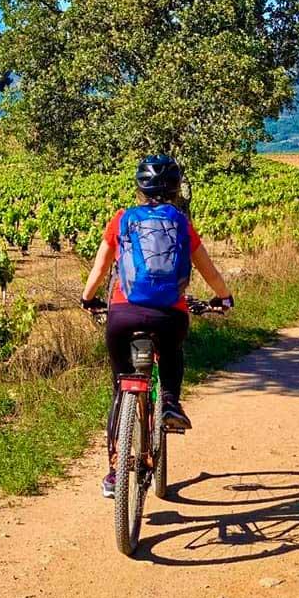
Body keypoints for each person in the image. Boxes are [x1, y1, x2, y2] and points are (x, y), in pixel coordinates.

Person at [80, 154, 234, 498]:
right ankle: (169, 401)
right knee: (172, 352)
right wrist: (223, 298)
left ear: (139, 187)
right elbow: (208, 270)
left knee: (120, 389)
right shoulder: (181, 223)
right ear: (176, 189)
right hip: (169, 316)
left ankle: (115, 473)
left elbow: (100, 268)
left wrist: (88, 299)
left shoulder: (122, 219)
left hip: (123, 314)